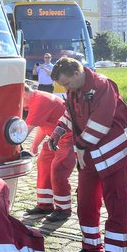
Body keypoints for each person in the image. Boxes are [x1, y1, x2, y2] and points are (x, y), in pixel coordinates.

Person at [49, 56, 127, 252]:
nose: (65, 89)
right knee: (85, 201)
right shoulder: (75, 89)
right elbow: (71, 114)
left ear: (77, 73)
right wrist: (58, 131)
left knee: (116, 204)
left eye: (66, 84)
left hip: (111, 155)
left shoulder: (102, 85)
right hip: (89, 157)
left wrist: (81, 146)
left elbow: (101, 122)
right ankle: (92, 248)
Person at [23, 84, 76, 221]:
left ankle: (63, 209)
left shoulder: (39, 100)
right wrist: (35, 144)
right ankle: (45, 204)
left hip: (69, 137)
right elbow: (43, 124)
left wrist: (14, 145)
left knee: (59, 169)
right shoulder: (37, 98)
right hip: (56, 137)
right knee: (43, 163)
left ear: (22, 94)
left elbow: (25, 130)